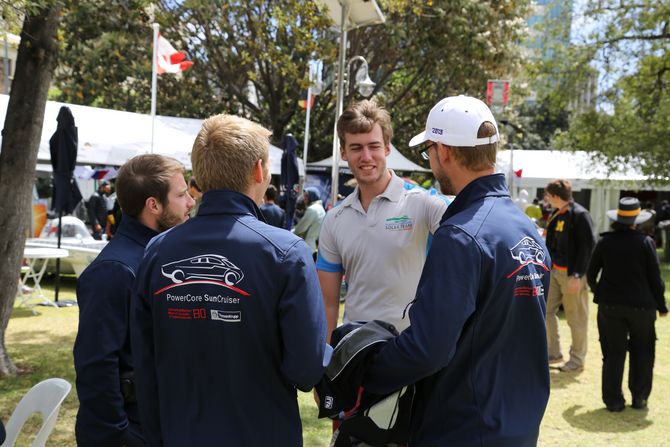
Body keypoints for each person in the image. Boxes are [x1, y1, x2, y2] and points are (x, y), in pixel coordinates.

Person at [362, 95, 551, 446]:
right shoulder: (527, 231)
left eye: (429, 151)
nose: (431, 161)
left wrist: (361, 374)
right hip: (517, 425)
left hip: (463, 427)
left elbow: (428, 349)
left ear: (444, 151)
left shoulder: (462, 235)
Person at [131, 114, 329, 446]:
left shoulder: (156, 252)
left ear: (199, 175)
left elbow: (146, 366)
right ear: (258, 170)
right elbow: (306, 370)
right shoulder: (286, 253)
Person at [74, 154, 194, 447]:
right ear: (153, 205)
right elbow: (96, 367)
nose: (191, 201)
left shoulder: (158, 255)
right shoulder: (114, 270)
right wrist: (122, 435)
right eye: (181, 194)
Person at [317, 100, 447, 337]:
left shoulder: (424, 204)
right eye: (356, 148)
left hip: (412, 354)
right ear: (343, 153)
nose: (366, 156)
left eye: (374, 146)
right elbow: (327, 305)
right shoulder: (334, 220)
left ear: (387, 148)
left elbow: (476, 231)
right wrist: (326, 362)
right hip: (356, 356)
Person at [587, 197, 668, 412]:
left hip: (610, 307)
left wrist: (600, 293)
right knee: (643, 352)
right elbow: (655, 279)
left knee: (613, 354)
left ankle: (613, 401)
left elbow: (591, 274)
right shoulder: (645, 243)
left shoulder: (605, 242)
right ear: (636, 220)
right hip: (642, 307)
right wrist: (662, 306)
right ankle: (639, 397)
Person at [544, 179, 596, 372]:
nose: (547, 199)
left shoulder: (580, 215)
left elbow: (587, 247)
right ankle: (553, 353)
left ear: (556, 196)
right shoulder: (556, 214)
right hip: (555, 272)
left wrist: (577, 274)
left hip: (572, 274)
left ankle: (577, 360)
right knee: (546, 311)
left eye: (549, 195)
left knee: (576, 318)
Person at [293, 186, 325, 256]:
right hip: (313, 247)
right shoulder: (321, 208)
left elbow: (300, 229)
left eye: (306, 196)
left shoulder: (312, 209)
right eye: (304, 196)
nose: (304, 199)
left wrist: (290, 233)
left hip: (306, 248)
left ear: (312, 196)